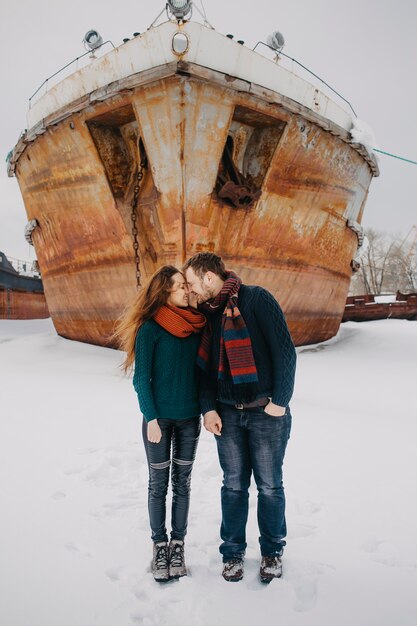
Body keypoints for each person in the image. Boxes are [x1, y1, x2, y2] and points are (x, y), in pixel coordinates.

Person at [184, 253, 296, 583]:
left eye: (191, 282)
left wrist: (280, 401)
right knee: (233, 486)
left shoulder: (257, 299)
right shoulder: (208, 315)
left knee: (270, 485)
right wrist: (208, 408)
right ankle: (232, 553)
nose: (190, 289)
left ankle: (272, 552)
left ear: (207, 277)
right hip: (228, 415)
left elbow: (284, 350)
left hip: (266, 412)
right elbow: (203, 371)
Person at [115, 266, 206, 582]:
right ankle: (159, 545)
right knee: (158, 485)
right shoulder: (150, 329)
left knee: (182, 484)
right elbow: (141, 380)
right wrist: (151, 417)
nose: (186, 289)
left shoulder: (197, 326)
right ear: (164, 291)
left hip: (189, 421)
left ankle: (178, 544)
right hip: (159, 421)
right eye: (180, 286)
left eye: (186, 284)